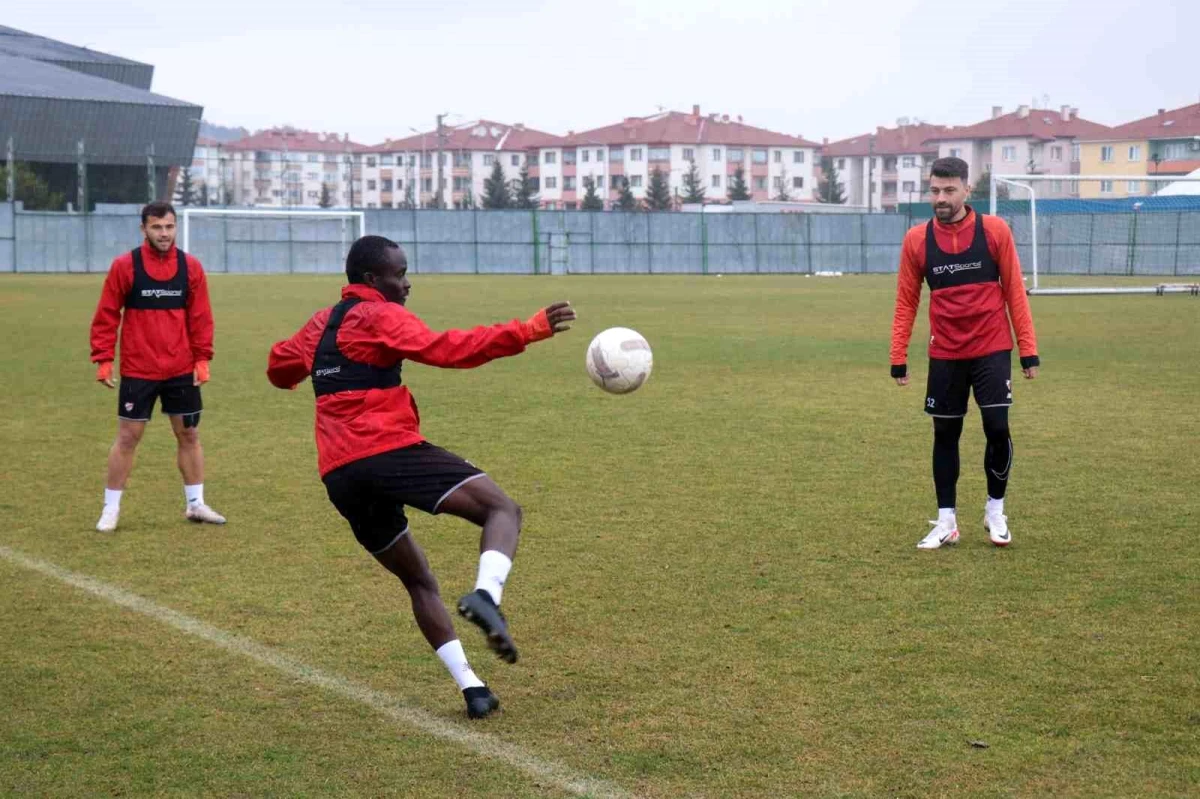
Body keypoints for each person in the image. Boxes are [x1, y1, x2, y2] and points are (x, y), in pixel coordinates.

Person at [266, 235, 575, 719]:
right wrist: (528, 329)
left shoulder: (319, 324)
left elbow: (277, 368)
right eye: (399, 274)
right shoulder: (380, 314)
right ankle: (486, 596)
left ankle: (472, 688)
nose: (407, 284)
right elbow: (447, 348)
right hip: (387, 451)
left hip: (339, 475)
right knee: (503, 509)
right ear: (373, 279)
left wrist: (306, 370)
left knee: (419, 581)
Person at [890, 157, 1040, 550]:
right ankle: (946, 521)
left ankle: (995, 512)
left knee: (997, 428)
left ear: (966, 190)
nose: (940, 198)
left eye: (949, 190)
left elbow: (1014, 292)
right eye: (934, 190)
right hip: (946, 353)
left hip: (991, 348)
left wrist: (1028, 350)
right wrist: (898, 355)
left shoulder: (994, 231)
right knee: (945, 432)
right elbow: (906, 301)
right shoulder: (916, 240)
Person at [90, 202, 226, 533]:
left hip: (181, 368)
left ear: (175, 228)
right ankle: (111, 508)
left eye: (168, 227)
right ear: (144, 229)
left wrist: (202, 358)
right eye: (156, 227)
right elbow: (108, 313)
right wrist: (103, 358)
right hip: (139, 369)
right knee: (127, 436)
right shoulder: (126, 267)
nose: (163, 234)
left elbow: (200, 317)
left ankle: (196, 504)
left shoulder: (190, 268)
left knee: (189, 434)